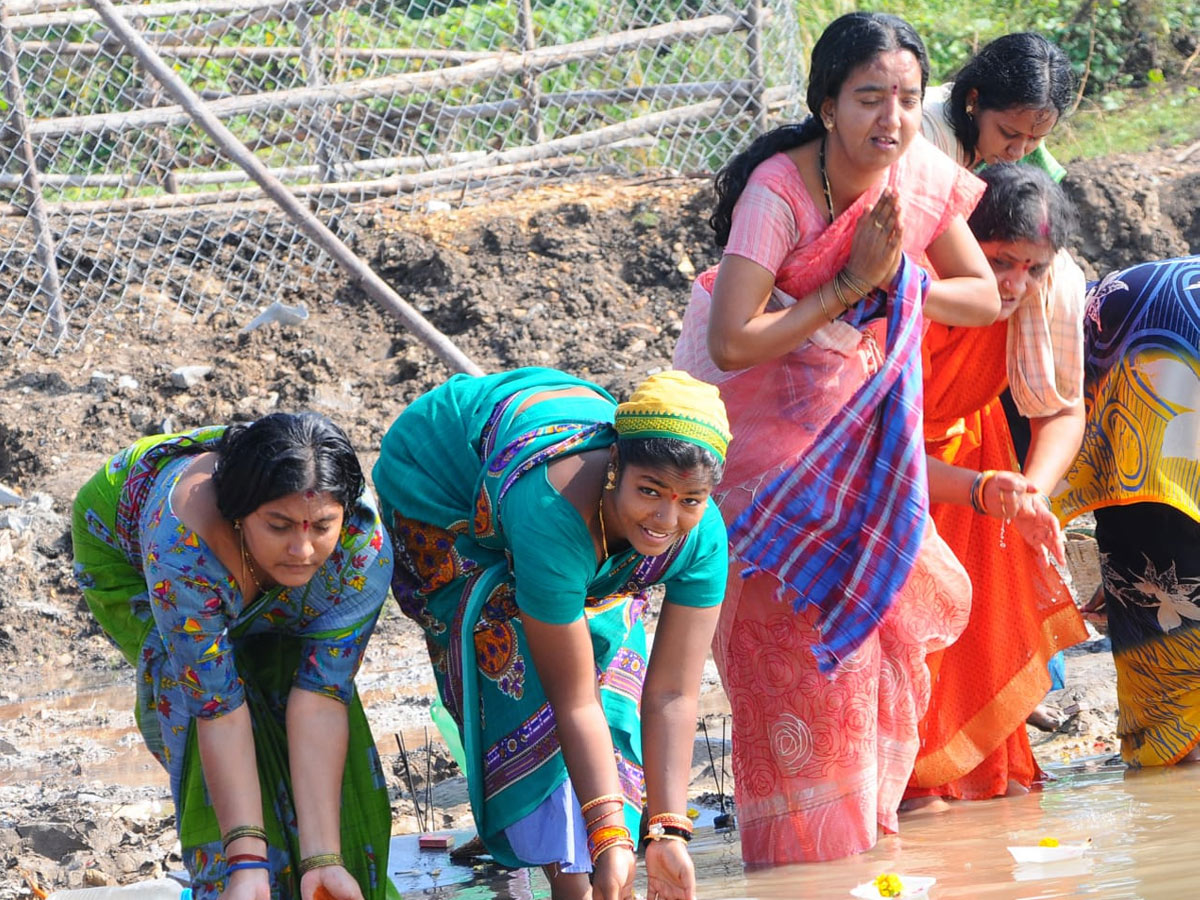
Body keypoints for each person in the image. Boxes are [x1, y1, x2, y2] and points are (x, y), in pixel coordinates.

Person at [672, 12, 999, 863]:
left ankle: (859, 850)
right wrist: (851, 284)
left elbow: (982, 295)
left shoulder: (917, 177)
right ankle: (796, 859)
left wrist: (901, 287)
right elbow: (732, 340)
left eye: (906, 99)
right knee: (795, 656)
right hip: (763, 451)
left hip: (856, 441)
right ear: (826, 105)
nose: (890, 119)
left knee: (868, 651)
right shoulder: (777, 192)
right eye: (868, 98)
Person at [372, 367, 730, 900]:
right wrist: (608, 846)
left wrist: (669, 831)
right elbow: (574, 701)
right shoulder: (551, 510)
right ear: (615, 466)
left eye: (690, 501)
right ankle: (566, 870)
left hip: (540, 487)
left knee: (613, 654)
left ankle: (588, 850)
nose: (665, 517)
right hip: (436, 480)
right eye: (649, 491)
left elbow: (674, 694)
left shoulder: (702, 537)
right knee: (514, 654)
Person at [71, 415, 394, 900]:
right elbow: (216, 706)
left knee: (292, 683)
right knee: (202, 695)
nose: (303, 549)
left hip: (252, 575)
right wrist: (246, 866)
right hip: (133, 558)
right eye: (279, 525)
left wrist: (322, 859)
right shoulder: (181, 549)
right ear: (240, 513)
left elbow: (322, 697)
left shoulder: (359, 553)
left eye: (322, 526)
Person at [904, 164, 1091, 808]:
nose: (1015, 284)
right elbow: (878, 449)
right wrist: (988, 489)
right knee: (917, 657)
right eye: (999, 260)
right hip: (900, 487)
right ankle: (915, 786)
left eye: (1032, 268)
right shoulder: (915, 297)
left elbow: (1063, 408)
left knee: (979, 643)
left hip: (982, 468)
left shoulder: (1044, 298)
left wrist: (1028, 494)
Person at [1054, 255, 1200, 767]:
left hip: (1135, 336)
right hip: (1143, 341)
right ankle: (1177, 752)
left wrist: (1133, 570)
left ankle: (1174, 749)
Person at [921, 32, 1075, 181]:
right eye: (1008, 133)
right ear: (973, 100)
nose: (1018, 153)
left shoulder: (1028, 140)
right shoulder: (925, 134)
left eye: (1034, 139)